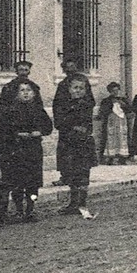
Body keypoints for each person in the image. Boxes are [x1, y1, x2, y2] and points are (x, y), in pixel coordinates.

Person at [0, 80, 53, 222]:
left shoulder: (38, 110)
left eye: (28, 90)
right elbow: (5, 129)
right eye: (22, 90)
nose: (25, 93)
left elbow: (48, 127)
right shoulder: (11, 110)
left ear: (34, 93)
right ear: (16, 94)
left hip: (33, 150)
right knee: (17, 182)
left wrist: (39, 132)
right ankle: (18, 210)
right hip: (17, 150)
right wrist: (17, 134)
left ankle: (30, 209)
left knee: (33, 182)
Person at [53, 76, 97, 215]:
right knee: (70, 172)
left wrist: (72, 124)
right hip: (67, 143)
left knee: (83, 173)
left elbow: (86, 126)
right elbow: (59, 123)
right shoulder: (63, 105)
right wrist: (72, 125)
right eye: (75, 88)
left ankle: (82, 203)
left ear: (86, 90)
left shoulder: (86, 105)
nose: (78, 91)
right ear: (69, 89)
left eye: (81, 88)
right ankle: (73, 203)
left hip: (83, 144)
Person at [50, 59, 95, 185]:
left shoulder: (84, 82)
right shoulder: (62, 85)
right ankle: (65, 177)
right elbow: (57, 105)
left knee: (82, 153)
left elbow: (91, 102)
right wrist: (61, 122)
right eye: (67, 67)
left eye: (72, 66)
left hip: (82, 125)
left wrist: (85, 121)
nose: (70, 69)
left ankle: (82, 177)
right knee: (65, 153)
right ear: (64, 70)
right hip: (67, 126)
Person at [97, 82, 131, 164]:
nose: (115, 92)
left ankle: (122, 157)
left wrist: (123, 105)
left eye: (117, 90)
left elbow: (129, 110)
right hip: (111, 121)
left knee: (122, 138)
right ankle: (110, 157)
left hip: (121, 122)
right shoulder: (106, 100)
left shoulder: (123, 99)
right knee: (111, 138)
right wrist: (111, 104)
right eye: (113, 91)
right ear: (110, 91)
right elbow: (103, 111)